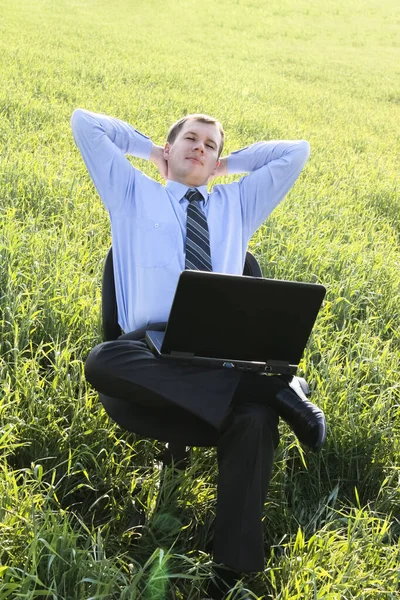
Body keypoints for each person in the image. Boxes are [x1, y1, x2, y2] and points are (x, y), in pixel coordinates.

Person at [71, 108, 326, 599]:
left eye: (210, 145)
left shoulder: (236, 206)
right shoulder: (131, 194)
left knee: (253, 420)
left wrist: (225, 165)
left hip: (217, 355)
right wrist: (155, 154)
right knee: (102, 360)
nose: (201, 148)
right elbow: (86, 123)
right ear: (171, 148)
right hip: (149, 352)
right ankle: (274, 388)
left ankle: (230, 574)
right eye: (191, 138)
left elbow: (296, 153)